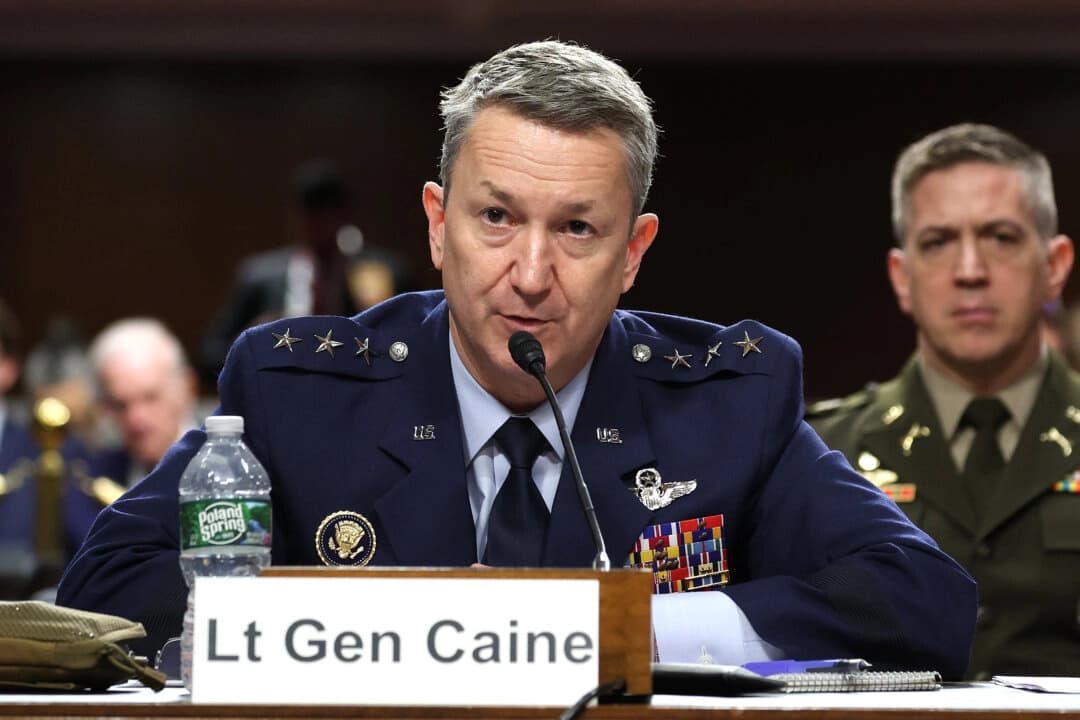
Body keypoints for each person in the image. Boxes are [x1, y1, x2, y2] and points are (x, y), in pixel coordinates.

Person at [57, 41, 976, 676]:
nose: (530, 275)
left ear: (633, 253)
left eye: (577, 229)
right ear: (436, 225)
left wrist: (624, 633)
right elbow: (106, 595)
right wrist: (413, 632)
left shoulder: (727, 403)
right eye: (495, 217)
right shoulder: (300, 393)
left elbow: (924, 600)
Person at [808, 123, 1079, 679]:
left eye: (1001, 237)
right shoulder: (822, 451)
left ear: (1054, 266)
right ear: (901, 277)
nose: (970, 272)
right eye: (938, 242)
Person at [198, 161, 412, 387]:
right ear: (296, 216)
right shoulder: (259, 278)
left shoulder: (384, 273)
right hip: (281, 392)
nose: (320, 224)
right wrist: (252, 338)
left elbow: (414, 347)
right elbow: (209, 355)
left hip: (362, 391)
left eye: (328, 213)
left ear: (345, 216)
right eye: (311, 214)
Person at [88, 318, 199, 490]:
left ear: (187, 388)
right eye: (121, 405)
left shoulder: (229, 466)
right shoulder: (94, 481)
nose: (135, 417)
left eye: (150, 398)